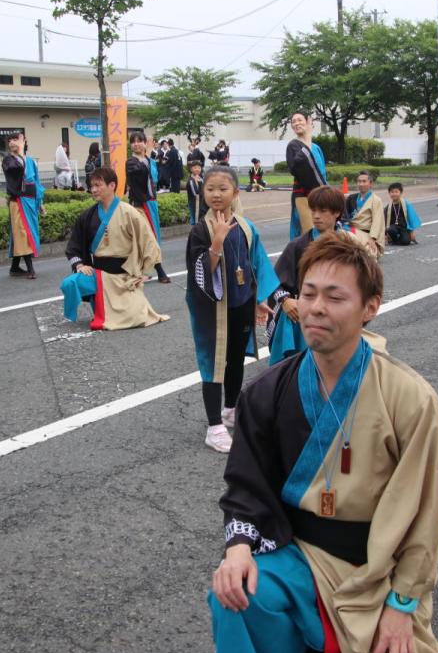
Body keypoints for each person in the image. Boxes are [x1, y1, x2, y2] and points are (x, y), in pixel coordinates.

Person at [210, 234, 438, 653]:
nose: (315, 308)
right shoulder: (267, 392)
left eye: (335, 297)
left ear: (370, 308)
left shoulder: (410, 398)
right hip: (302, 556)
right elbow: (246, 485)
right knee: (237, 592)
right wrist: (238, 548)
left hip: (376, 572)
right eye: (308, 294)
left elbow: (425, 514)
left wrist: (403, 606)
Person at [186, 164, 279, 454]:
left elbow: (256, 264)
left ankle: (230, 409)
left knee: (236, 358)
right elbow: (199, 274)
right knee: (212, 362)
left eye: (222, 189)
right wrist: (216, 242)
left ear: (236, 192)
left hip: (241, 303)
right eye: (210, 189)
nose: (216, 194)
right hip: (212, 309)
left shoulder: (246, 227)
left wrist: (260, 298)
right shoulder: (200, 230)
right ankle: (214, 427)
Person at [60, 167, 169, 330]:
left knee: (137, 318)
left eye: (98, 185)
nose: (93, 189)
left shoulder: (129, 212)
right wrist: (80, 265)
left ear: (112, 186)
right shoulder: (87, 216)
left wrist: (142, 272)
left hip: (125, 277)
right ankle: (97, 301)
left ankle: (116, 305)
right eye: (92, 186)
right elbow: (74, 246)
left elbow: (149, 244)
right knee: (70, 283)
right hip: (99, 275)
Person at [266, 185, 345, 366]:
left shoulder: (348, 244)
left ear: (337, 213)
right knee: (297, 369)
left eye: (323, 211)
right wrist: (285, 301)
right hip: (303, 315)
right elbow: (274, 281)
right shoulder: (298, 246)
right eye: (313, 210)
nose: (316, 216)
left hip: (336, 314)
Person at [126, 130, 171, 284]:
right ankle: (160, 271)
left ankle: (141, 271)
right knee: (148, 238)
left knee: (152, 237)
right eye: (133, 142)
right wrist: (150, 154)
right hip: (139, 205)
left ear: (145, 143)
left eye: (139, 141)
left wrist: (149, 157)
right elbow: (139, 171)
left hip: (151, 204)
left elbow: (155, 179)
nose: (136, 144)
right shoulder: (131, 162)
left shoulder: (149, 160)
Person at [2, 132, 43, 279]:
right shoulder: (8, 160)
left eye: (16, 139)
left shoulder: (31, 161)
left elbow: (37, 182)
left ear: (24, 141)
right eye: (10, 140)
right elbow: (16, 171)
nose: (12, 142)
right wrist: (20, 152)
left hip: (31, 202)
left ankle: (14, 267)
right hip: (18, 201)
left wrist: (40, 202)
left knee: (23, 233)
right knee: (22, 232)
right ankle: (30, 268)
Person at [286, 110, 329, 239]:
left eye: (300, 120)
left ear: (308, 122)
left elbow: (322, 172)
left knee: (325, 230)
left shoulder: (316, 147)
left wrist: (326, 191)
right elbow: (298, 169)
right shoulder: (293, 145)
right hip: (304, 196)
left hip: (321, 194)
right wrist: (308, 139)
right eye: (294, 121)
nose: (296, 123)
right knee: (308, 232)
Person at [345, 170, 385, 258]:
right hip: (351, 230)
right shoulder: (351, 198)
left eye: (364, 181)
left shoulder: (376, 200)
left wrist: (372, 238)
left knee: (370, 255)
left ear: (371, 183)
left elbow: (377, 221)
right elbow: (345, 216)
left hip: (366, 234)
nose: (361, 184)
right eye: (359, 181)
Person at [384, 182, 422, 247]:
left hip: (404, 227)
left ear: (401, 193)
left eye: (396, 192)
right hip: (393, 227)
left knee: (405, 242)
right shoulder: (388, 207)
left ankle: (400, 239)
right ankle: (394, 239)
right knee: (390, 229)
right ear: (389, 193)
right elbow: (384, 221)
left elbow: (411, 218)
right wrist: (385, 234)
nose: (394, 194)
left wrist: (412, 232)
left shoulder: (406, 205)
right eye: (392, 192)